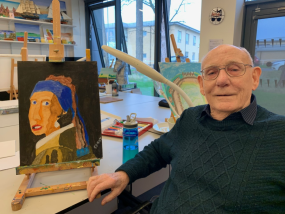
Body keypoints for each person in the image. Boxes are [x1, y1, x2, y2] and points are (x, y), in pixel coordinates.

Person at [87, 45, 285, 213]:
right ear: (201, 84)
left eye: (234, 69)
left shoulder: (279, 135)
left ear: (254, 78)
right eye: (211, 72)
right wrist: (123, 174)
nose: (222, 80)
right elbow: (157, 151)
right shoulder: (191, 118)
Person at [29, 75, 95, 165]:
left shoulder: (57, 150)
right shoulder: (47, 145)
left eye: (46, 103)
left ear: (63, 110)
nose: (36, 116)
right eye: (34, 102)